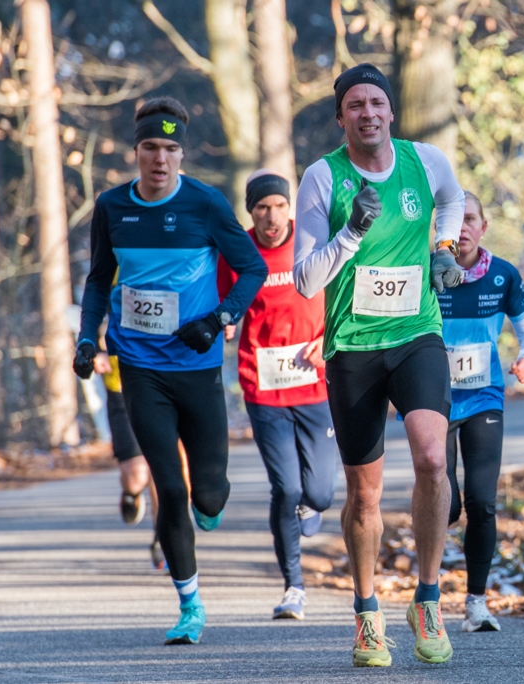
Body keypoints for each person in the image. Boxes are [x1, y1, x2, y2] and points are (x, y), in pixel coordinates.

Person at [73, 96, 267, 646]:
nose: (160, 159)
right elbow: (97, 280)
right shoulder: (113, 207)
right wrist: (89, 339)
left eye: (171, 149)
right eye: (151, 148)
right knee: (170, 488)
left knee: (209, 493)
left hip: (199, 362)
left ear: (182, 154)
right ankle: (189, 604)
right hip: (139, 365)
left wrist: (221, 318)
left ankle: (210, 507)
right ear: (136, 152)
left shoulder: (206, 204)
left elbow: (251, 268)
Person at [294, 63, 466, 667]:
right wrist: (351, 233)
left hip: (417, 331)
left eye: (377, 103)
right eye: (355, 105)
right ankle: (367, 613)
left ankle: (426, 597)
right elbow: (304, 278)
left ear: (390, 111)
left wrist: (443, 247)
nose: (368, 113)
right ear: (340, 117)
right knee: (364, 496)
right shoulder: (322, 178)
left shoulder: (426, 162)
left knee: (431, 458)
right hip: (353, 346)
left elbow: (453, 200)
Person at [217, 169, 337, 621]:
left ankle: (314, 502)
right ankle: (293, 587)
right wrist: (224, 322)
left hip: (314, 382)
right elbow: (223, 301)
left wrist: (328, 340)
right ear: (252, 212)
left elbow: (341, 294)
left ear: (291, 208)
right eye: (262, 208)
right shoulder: (237, 251)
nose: (272, 216)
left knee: (320, 494)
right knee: (285, 488)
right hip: (262, 384)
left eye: (279, 206)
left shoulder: (311, 241)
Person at [438, 192, 524, 633]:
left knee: (482, 501)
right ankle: (427, 595)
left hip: (484, 397)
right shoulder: (428, 273)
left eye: (470, 220)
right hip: (433, 400)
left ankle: (476, 603)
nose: (461, 229)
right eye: (453, 221)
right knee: (444, 505)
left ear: (483, 227)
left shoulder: (502, 275)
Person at [93, 348, 166, 572]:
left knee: (161, 470)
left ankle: (163, 539)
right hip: (121, 388)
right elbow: (87, 319)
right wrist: (95, 351)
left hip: (161, 381)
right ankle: (131, 493)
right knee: (136, 475)